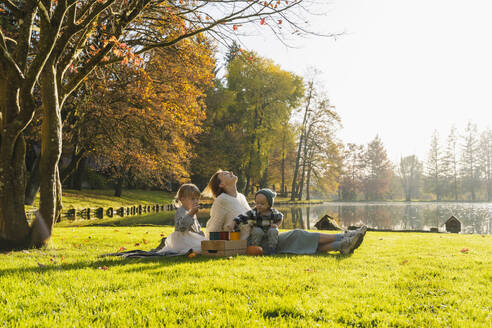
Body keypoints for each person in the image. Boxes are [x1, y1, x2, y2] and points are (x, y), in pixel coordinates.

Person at [204, 170, 367, 255]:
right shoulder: (222, 200)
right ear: (221, 185)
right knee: (297, 235)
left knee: (298, 242)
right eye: (224, 174)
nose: (229, 172)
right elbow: (210, 232)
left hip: (265, 238)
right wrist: (229, 231)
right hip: (253, 244)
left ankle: (342, 245)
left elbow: (252, 216)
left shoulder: (240, 197)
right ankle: (346, 236)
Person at [156, 183, 206, 255]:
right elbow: (181, 228)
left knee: (206, 244)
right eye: (192, 199)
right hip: (182, 239)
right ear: (182, 199)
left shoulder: (191, 211)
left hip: (190, 238)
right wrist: (191, 214)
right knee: (199, 248)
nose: (196, 201)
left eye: (197, 199)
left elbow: (196, 227)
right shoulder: (181, 211)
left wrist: (201, 236)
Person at [229, 188, 283, 254]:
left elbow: (280, 217)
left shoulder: (273, 213)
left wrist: (276, 225)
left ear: (269, 204)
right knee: (257, 230)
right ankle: (255, 247)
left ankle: (272, 248)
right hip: (258, 231)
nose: (259, 206)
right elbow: (242, 216)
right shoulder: (253, 212)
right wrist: (233, 222)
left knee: (274, 230)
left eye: (262, 204)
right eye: (257, 203)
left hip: (269, 230)